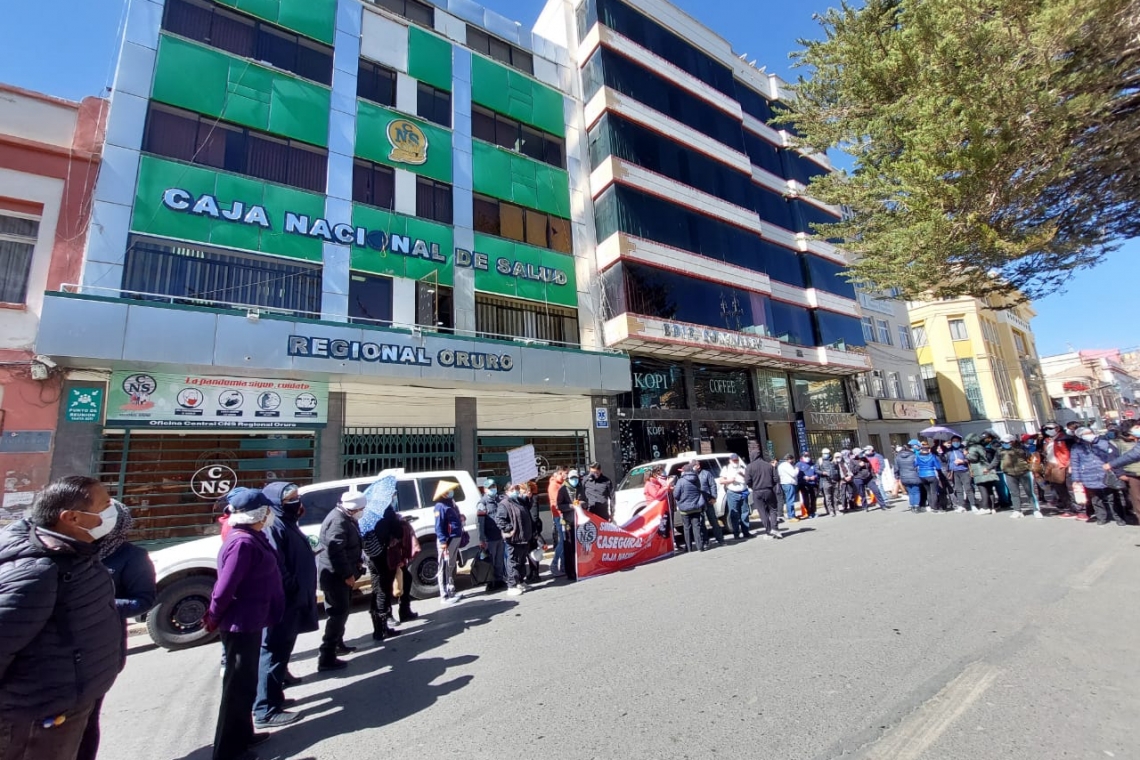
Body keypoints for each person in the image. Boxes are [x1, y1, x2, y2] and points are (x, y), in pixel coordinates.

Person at [0, 477, 124, 760]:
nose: (113, 511)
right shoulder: (38, 571)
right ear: (72, 517)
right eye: (105, 505)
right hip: (36, 718)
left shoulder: (78, 554)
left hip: (68, 704)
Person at [205, 488, 285, 760]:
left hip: (253, 620)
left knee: (247, 684)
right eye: (268, 509)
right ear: (260, 513)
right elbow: (225, 587)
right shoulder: (243, 543)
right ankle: (228, 751)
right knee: (237, 690)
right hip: (241, 624)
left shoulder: (253, 536)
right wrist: (213, 616)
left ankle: (244, 734)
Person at [75, 499, 156, 760]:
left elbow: (142, 601)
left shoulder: (131, 557)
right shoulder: (72, 551)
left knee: (85, 720)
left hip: (99, 651)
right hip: (55, 655)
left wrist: (96, 603)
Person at [250, 483, 318, 730]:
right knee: (273, 652)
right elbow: (278, 566)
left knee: (281, 652)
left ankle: (274, 696)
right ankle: (265, 709)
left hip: (293, 600)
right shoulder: (275, 526)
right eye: (291, 498)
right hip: (284, 601)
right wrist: (294, 588)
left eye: (297, 497)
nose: (297, 502)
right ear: (276, 502)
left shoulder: (286, 522)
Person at [316, 491, 365, 671]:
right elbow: (336, 551)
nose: (362, 512)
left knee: (341, 612)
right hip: (336, 577)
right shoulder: (338, 521)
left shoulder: (346, 517)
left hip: (339, 575)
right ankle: (327, 655)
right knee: (338, 613)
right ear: (353, 508)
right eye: (361, 509)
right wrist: (347, 574)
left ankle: (338, 644)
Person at [357, 475, 405, 643]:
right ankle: (382, 628)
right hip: (383, 556)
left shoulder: (367, 514)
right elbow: (398, 533)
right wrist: (398, 522)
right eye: (393, 494)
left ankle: (378, 627)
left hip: (371, 556)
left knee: (377, 589)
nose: (394, 497)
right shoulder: (387, 513)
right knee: (383, 590)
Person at [1070, 427, 1125, 526]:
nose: (1088, 435)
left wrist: (1115, 471)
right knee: (1096, 499)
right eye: (1085, 434)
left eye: (1089, 432)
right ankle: (1101, 517)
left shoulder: (1104, 443)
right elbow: (1075, 463)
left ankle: (1119, 518)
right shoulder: (1076, 447)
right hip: (1088, 476)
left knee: (1112, 497)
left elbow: (1113, 458)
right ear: (1079, 436)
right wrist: (1076, 479)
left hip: (1106, 474)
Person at [495, 483, 536, 596]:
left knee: (522, 561)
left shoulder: (519, 501)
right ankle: (512, 585)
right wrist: (510, 529)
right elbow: (500, 520)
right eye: (513, 489)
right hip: (514, 538)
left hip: (523, 537)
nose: (516, 491)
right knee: (513, 562)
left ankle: (520, 581)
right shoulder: (504, 504)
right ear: (507, 491)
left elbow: (529, 507)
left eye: (517, 489)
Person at [433, 480, 465, 604]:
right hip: (447, 540)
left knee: (451, 566)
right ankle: (444, 595)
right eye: (448, 491)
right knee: (444, 567)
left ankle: (451, 590)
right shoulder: (440, 507)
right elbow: (439, 526)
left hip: (455, 538)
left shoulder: (451, 504)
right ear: (443, 494)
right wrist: (442, 541)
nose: (451, 492)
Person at [1102, 420, 1140, 523]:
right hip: (1133, 475)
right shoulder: (1117, 443)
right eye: (1136, 427)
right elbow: (1130, 455)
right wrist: (1119, 473)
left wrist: (1111, 465)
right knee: (1137, 501)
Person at [995, 435, 1041, 519]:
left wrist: (1033, 469)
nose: (1005, 444)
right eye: (1003, 442)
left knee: (1030, 492)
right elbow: (996, 460)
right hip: (1009, 474)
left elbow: (1031, 458)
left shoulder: (1022, 448)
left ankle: (1036, 510)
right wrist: (988, 468)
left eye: (1007, 442)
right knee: (1014, 493)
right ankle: (1017, 510)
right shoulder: (1000, 450)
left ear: (1013, 441)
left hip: (1024, 472)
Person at [476, 478, 507, 592]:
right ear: (485, 489)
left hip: (500, 535)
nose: (493, 489)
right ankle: (491, 582)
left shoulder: (499, 500)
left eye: (494, 487)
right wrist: (482, 539)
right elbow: (480, 523)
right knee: (491, 561)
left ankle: (499, 580)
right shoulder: (482, 503)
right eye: (490, 488)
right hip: (490, 538)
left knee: (499, 560)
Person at [744, 453, 782, 538]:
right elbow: (776, 478)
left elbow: (747, 481)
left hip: (757, 491)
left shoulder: (749, 467)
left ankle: (768, 531)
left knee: (762, 512)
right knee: (773, 510)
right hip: (768, 490)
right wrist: (770, 484)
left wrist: (753, 486)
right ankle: (775, 528)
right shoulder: (769, 466)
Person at [556, 470, 584, 581]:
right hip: (568, 523)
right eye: (572, 478)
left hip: (579, 522)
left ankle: (579, 570)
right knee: (569, 548)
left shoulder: (580, 488)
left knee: (579, 548)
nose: (574, 480)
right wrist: (570, 506)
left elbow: (585, 501)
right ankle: (570, 572)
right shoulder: (563, 490)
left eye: (576, 478)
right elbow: (559, 506)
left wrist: (581, 503)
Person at [673, 464, 706, 552]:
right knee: (697, 527)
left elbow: (676, 495)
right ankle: (700, 547)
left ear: (684, 471)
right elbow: (700, 490)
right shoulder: (696, 479)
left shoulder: (681, 481)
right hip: (696, 506)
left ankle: (689, 548)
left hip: (684, 508)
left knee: (686, 528)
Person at [718, 453, 751, 538]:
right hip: (733, 493)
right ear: (730, 460)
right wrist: (730, 480)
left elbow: (749, 478)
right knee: (734, 514)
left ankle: (746, 532)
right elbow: (721, 481)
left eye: (736, 460)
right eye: (734, 460)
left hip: (743, 492)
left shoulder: (742, 467)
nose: (735, 462)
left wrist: (743, 475)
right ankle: (736, 533)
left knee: (745, 512)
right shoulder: (726, 468)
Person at [965, 433, 1000, 513]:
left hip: (979, 471)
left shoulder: (972, 448)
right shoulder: (981, 446)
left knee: (983, 489)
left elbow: (974, 458)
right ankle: (992, 507)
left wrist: (966, 455)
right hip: (987, 468)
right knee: (990, 490)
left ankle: (985, 507)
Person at [692, 459, 724, 546]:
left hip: (708, 500)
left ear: (698, 466)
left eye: (694, 465)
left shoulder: (706, 473)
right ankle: (705, 541)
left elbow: (713, 485)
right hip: (698, 502)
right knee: (701, 522)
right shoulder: (691, 475)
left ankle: (720, 539)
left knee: (713, 520)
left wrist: (714, 497)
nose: (693, 467)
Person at [944, 435, 975, 512]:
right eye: (954, 441)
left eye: (957, 441)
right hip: (954, 472)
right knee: (958, 489)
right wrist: (941, 452)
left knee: (968, 488)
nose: (955, 443)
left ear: (960, 441)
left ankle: (973, 505)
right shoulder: (949, 451)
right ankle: (961, 506)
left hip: (964, 471)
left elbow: (970, 459)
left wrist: (963, 461)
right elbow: (945, 460)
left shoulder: (963, 449)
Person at [546, 467, 567, 576]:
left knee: (565, 541)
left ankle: (563, 566)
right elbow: (558, 501)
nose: (565, 476)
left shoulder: (561, 484)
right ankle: (554, 564)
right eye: (564, 473)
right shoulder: (554, 485)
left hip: (562, 515)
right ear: (559, 473)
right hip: (559, 515)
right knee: (563, 542)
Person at [914, 441, 945, 512]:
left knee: (928, 491)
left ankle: (931, 506)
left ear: (921, 449)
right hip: (931, 474)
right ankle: (934, 507)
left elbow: (915, 464)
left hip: (922, 475)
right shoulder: (932, 456)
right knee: (933, 492)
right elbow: (938, 467)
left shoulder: (918, 456)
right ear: (928, 449)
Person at [894, 441, 923, 511]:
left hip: (904, 476)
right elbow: (917, 466)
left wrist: (897, 476)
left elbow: (896, 468)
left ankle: (912, 506)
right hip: (914, 475)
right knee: (916, 491)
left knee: (910, 492)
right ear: (910, 448)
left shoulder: (897, 457)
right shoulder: (914, 456)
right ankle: (916, 506)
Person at [816, 448, 840, 517]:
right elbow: (816, 470)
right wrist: (823, 472)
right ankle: (831, 511)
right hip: (826, 481)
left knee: (835, 496)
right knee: (828, 497)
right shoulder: (820, 461)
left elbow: (838, 469)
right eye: (824, 453)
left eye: (827, 453)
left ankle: (837, 509)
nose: (825, 455)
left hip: (835, 480)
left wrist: (839, 478)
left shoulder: (833, 460)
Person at [796, 452, 820, 518]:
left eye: (808, 456)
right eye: (805, 456)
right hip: (804, 484)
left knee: (813, 498)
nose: (807, 457)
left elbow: (817, 473)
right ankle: (808, 512)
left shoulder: (813, 464)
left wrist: (814, 477)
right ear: (802, 457)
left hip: (813, 484)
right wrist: (804, 477)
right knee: (806, 499)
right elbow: (797, 475)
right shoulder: (798, 464)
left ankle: (813, 511)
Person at [777, 454, 800, 520]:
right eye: (792, 459)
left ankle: (791, 515)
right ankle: (791, 515)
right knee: (790, 500)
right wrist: (797, 469)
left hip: (785, 483)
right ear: (790, 459)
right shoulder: (787, 465)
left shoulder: (781, 465)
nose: (793, 461)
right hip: (789, 483)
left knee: (788, 499)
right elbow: (793, 474)